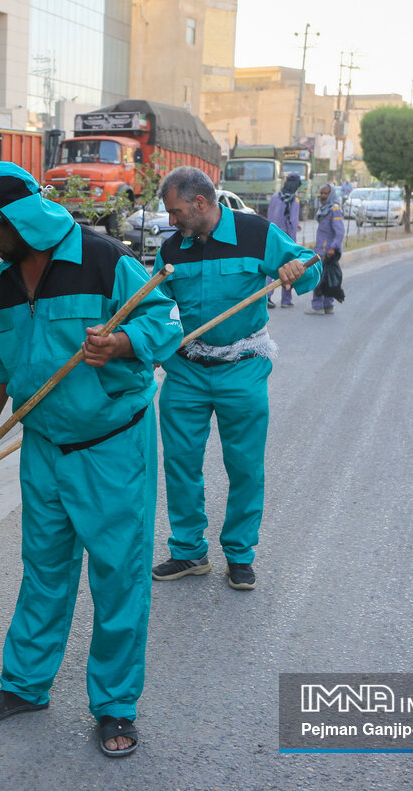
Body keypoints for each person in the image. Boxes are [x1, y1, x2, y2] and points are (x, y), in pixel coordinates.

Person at [0, 161, 183, 758]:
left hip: (111, 447)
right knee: (44, 569)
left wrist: (121, 343)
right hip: (43, 449)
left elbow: (166, 321)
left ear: (17, 220)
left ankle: (115, 704)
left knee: (118, 576)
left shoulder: (104, 261)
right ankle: (25, 685)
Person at [150, 166, 318, 591]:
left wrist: (296, 270)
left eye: (176, 211)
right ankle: (189, 551)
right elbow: (156, 310)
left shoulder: (255, 233)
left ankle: (240, 555)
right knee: (180, 464)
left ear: (200, 203)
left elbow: (309, 266)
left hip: (242, 367)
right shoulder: (171, 249)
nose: (171, 220)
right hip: (185, 371)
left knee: (244, 467)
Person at [306, 184, 345, 316]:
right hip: (322, 250)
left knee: (319, 279)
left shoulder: (334, 209)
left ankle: (318, 306)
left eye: (326, 193)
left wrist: (333, 247)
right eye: (321, 193)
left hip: (327, 251)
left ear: (331, 194)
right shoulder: (324, 209)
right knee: (327, 278)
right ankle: (327, 306)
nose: (323, 196)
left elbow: (340, 231)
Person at [266, 172, 303, 308]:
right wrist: (293, 244)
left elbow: (270, 216)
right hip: (286, 239)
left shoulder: (275, 197)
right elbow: (292, 222)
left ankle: (266, 296)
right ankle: (286, 300)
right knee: (288, 269)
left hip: (272, 236)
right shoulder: (294, 200)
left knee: (270, 267)